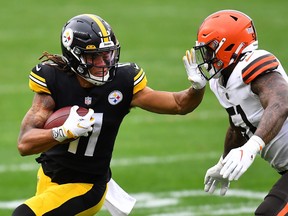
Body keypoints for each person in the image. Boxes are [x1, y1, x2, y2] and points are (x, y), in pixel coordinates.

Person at [13, 14, 206, 216]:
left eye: (107, 54)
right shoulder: (53, 80)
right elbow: (24, 144)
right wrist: (62, 132)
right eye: (94, 56)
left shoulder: (123, 82)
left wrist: (197, 87)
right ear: (74, 55)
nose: (104, 62)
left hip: (87, 185)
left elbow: (178, 104)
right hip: (48, 176)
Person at [188, 9, 288, 215]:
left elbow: (281, 102)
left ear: (230, 45)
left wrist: (252, 147)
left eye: (210, 49)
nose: (206, 57)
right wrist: (224, 162)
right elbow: (238, 126)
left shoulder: (251, 63)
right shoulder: (221, 81)